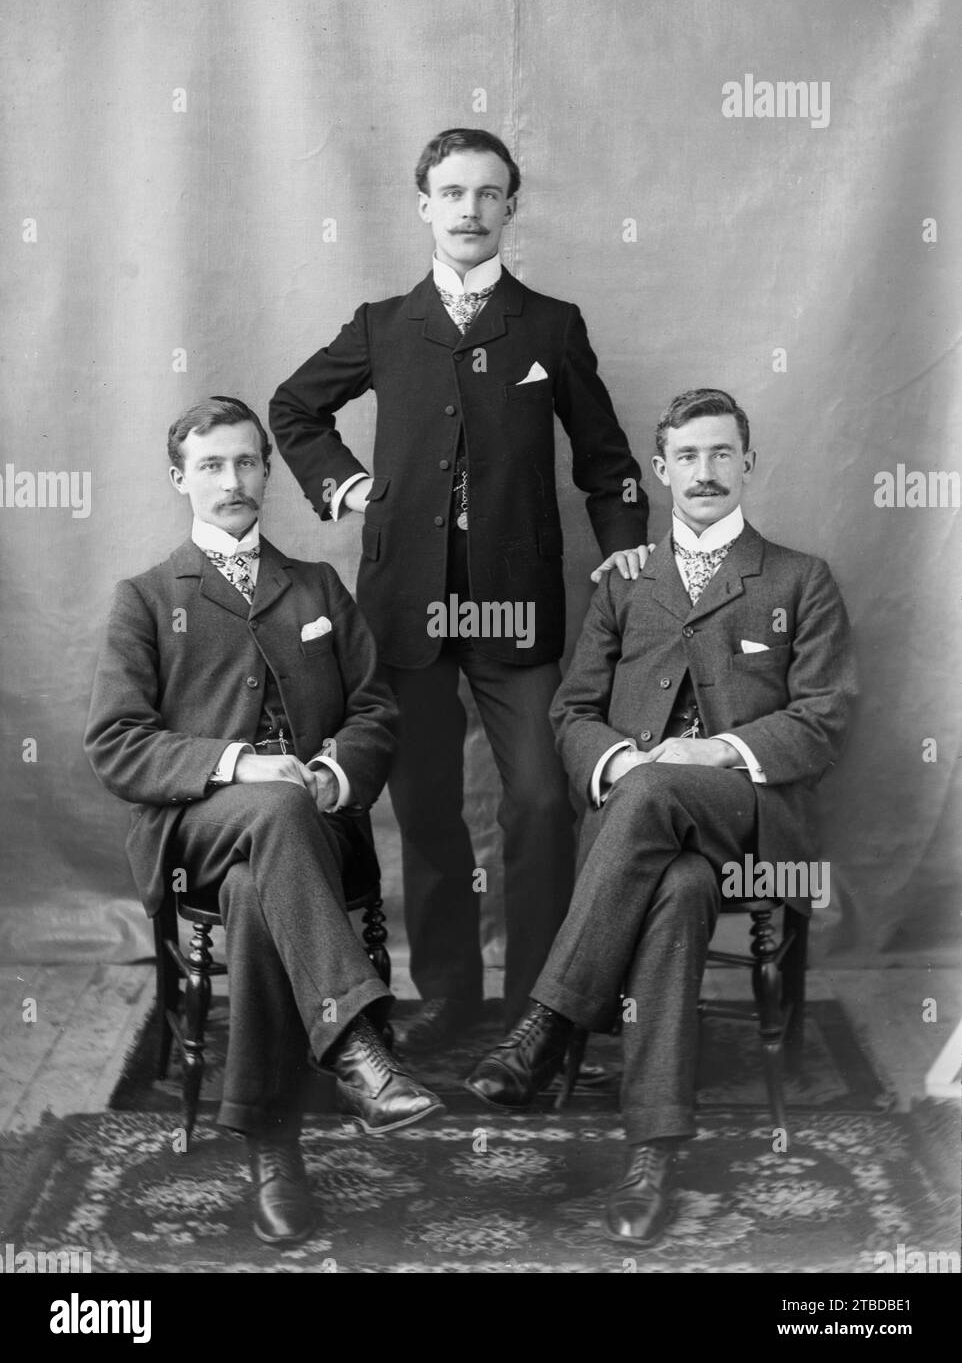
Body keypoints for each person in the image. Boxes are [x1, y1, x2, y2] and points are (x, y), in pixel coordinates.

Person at [269, 127, 650, 1051]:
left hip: (516, 607)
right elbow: (294, 408)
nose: (470, 210)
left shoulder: (551, 325)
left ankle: (540, 1005)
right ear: (424, 207)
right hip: (407, 603)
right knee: (426, 802)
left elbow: (606, 459)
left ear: (511, 208)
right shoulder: (383, 324)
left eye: (488, 194)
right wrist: (343, 483)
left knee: (538, 800)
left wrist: (628, 550)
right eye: (452, 193)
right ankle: (444, 992)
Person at [465, 388, 857, 1246]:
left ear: (748, 462)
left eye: (722, 454)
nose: (706, 472)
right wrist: (621, 762)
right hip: (648, 843)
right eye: (688, 456)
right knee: (675, 889)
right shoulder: (624, 582)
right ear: (660, 470)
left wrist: (708, 754)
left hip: (752, 819)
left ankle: (550, 1021)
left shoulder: (800, 578)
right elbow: (571, 714)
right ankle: (654, 1154)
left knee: (649, 788)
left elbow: (824, 718)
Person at [84, 396, 442, 1248]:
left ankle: (271, 1151)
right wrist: (240, 766)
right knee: (261, 821)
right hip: (195, 833)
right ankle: (355, 1045)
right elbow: (116, 743)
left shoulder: (316, 586)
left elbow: (375, 711)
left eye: (247, 462)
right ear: (180, 480)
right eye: (211, 466)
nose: (233, 480)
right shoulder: (144, 598)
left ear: (268, 472)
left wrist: (326, 774)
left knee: (258, 886)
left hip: (307, 831)